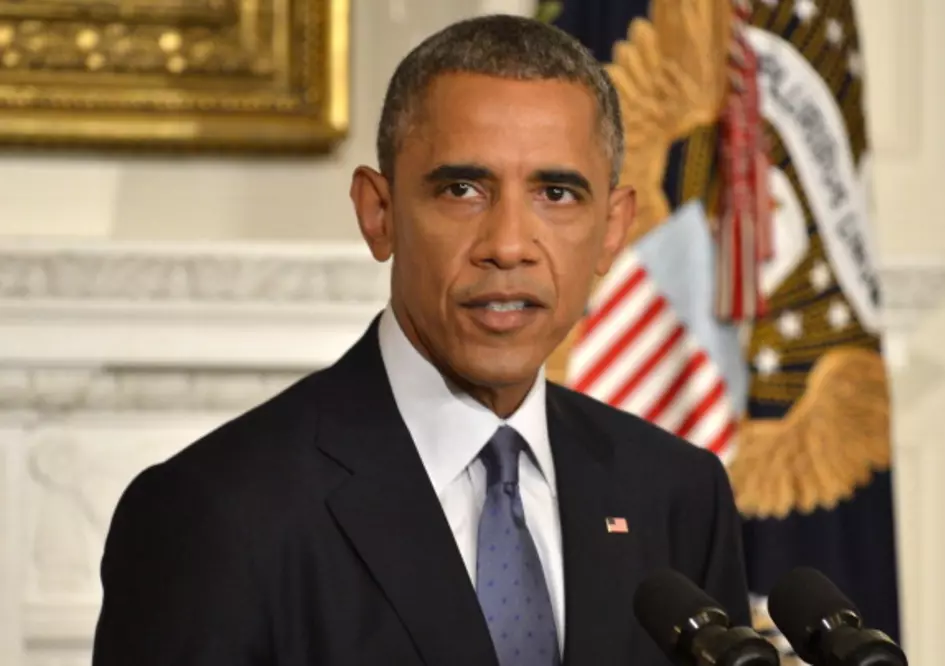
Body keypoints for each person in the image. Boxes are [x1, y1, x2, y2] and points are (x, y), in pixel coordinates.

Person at [92, 14, 750, 666]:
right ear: (379, 214)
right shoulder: (216, 512)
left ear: (611, 229)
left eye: (555, 192)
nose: (509, 245)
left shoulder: (677, 495)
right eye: (462, 189)